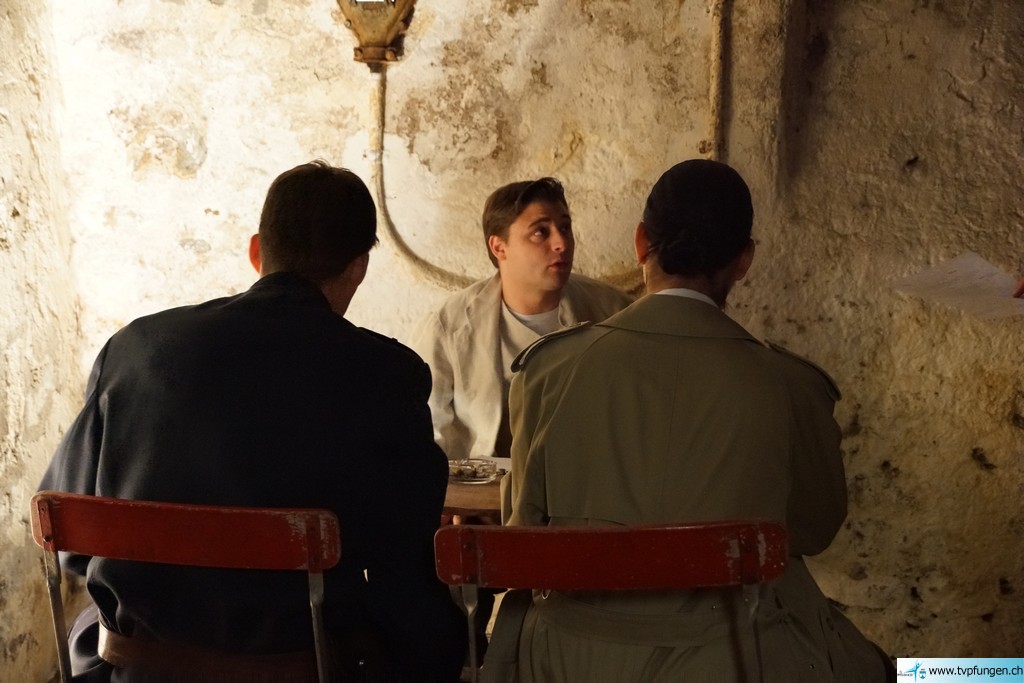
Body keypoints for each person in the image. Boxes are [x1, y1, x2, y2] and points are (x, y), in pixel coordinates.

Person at [39, 161, 465, 682]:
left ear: (257, 250)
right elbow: (405, 568)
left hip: (139, 669)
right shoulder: (386, 374)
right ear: (359, 267)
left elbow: (70, 538)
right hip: (304, 670)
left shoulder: (134, 349)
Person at [486, 159, 892, 682]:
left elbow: (524, 528)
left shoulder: (550, 370)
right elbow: (813, 529)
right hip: (736, 657)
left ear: (640, 243)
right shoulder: (792, 385)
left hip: (567, 659)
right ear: (743, 260)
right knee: (914, 670)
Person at [409, 177, 632, 465]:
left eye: (565, 228)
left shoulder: (615, 311)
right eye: (540, 232)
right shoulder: (447, 326)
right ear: (499, 247)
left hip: (585, 485)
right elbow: (425, 430)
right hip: (481, 488)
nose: (561, 243)